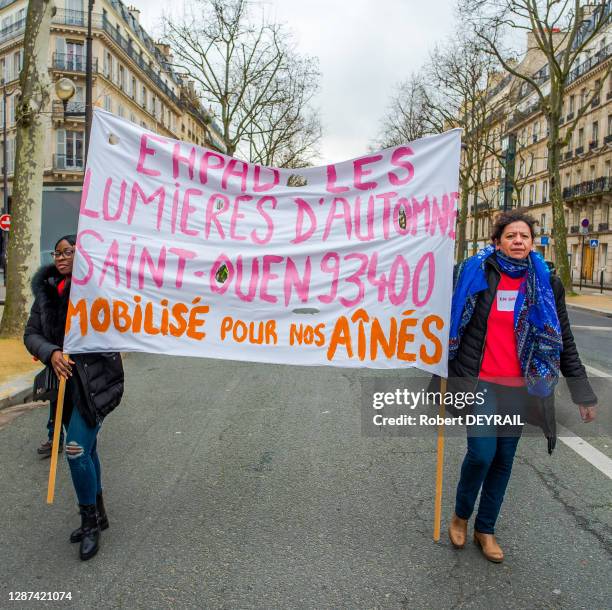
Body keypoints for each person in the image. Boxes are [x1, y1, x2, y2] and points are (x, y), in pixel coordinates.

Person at [445, 210, 597, 563]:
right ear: (497, 241)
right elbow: (439, 306)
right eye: (510, 236)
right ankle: (461, 515)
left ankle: (486, 529)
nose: (518, 241)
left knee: (503, 459)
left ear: (532, 243)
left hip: (519, 387)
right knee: (481, 453)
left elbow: (564, 341)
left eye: (524, 236)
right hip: (481, 382)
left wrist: (582, 393)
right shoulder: (475, 274)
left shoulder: (547, 283)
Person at [24, 234, 125, 561]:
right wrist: (51, 352)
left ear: (81, 255)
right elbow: (31, 335)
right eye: (57, 252)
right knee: (89, 449)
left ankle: (90, 524)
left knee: (76, 449)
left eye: (69, 251)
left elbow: (116, 327)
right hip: (64, 386)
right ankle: (100, 513)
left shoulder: (98, 289)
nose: (62, 256)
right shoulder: (46, 292)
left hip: (96, 384)